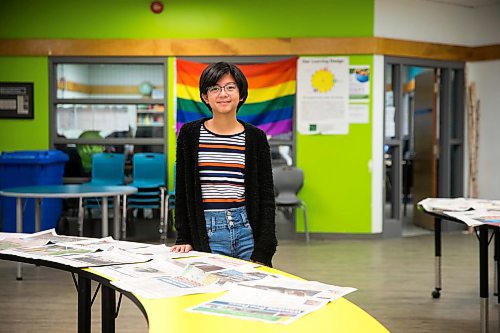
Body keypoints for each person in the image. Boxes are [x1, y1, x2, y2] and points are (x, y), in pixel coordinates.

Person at [170, 62, 277, 267]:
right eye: (215, 88)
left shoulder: (256, 137)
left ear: (241, 94)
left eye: (230, 87)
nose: (223, 94)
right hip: (207, 231)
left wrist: (264, 248)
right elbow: (183, 189)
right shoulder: (190, 134)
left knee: (252, 295)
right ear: (205, 97)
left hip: (247, 231)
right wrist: (183, 237)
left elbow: (266, 196)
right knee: (213, 294)